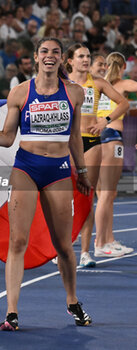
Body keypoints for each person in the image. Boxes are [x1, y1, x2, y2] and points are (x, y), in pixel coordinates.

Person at [0, 37, 93, 329]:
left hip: (58, 170)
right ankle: (11, 312)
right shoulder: (20, 93)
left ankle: (72, 301)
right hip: (26, 168)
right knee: (18, 240)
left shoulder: (74, 93)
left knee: (63, 245)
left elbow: (74, 137)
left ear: (62, 59)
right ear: (35, 57)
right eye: (44, 51)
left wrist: (82, 172)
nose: (49, 56)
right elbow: (8, 138)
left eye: (55, 52)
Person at [64, 43, 129, 268]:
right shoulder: (62, 83)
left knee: (87, 196)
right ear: (70, 60)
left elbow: (124, 103)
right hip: (68, 143)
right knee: (66, 198)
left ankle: (84, 252)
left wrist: (106, 120)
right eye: (80, 56)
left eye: (87, 56)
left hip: (91, 142)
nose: (85, 59)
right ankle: (61, 249)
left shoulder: (98, 83)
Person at [94, 52, 136, 256]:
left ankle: (107, 239)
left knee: (105, 193)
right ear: (121, 68)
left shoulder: (98, 85)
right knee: (107, 194)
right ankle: (100, 242)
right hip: (112, 137)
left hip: (97, 138)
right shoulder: (122, 84)